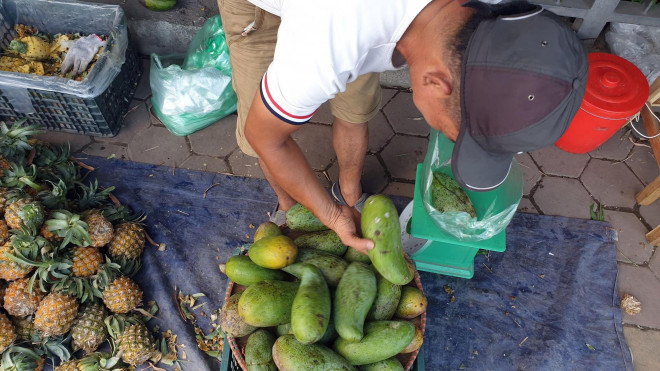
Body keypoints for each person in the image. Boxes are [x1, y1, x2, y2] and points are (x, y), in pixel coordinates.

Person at [217, 0, 588, 254]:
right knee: (262, 126)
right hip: (260, 12)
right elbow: (266, 136)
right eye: (457, 134)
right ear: (433, 82)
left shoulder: (498, 19)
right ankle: (290, 211)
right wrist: (329, 216)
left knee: (354, 104)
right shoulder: (325, 45)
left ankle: (349, 193)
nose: (452, 140)